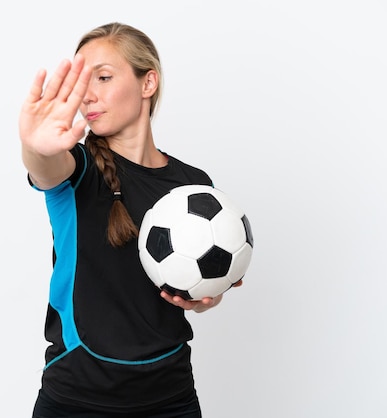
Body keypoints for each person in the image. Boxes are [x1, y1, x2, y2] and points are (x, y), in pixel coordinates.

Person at [19, 22, 242, 417]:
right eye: (83, 81)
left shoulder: (193, 186)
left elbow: (201, 282)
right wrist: (34, 146)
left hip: (170, 397)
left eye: (103, 77)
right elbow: (46, 166)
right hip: (76, 399)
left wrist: (209, 297)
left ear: (147, 82)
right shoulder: (78, 169)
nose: (88, 93)